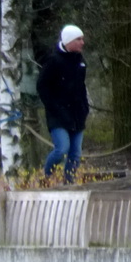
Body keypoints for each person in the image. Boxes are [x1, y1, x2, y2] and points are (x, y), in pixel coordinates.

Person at [36, 24, 89, 183]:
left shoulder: (80, 62)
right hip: (58, 114)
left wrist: (84, 107)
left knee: (75, 154)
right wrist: (54, 107)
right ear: (69, 41)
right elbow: (42, 86)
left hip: (77, 114)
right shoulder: (53, 61)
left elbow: (81, 87)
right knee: (61, 149)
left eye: (82, 39)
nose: (82, 42)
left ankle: (69, 182)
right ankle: (46, 177)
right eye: (78, 39)